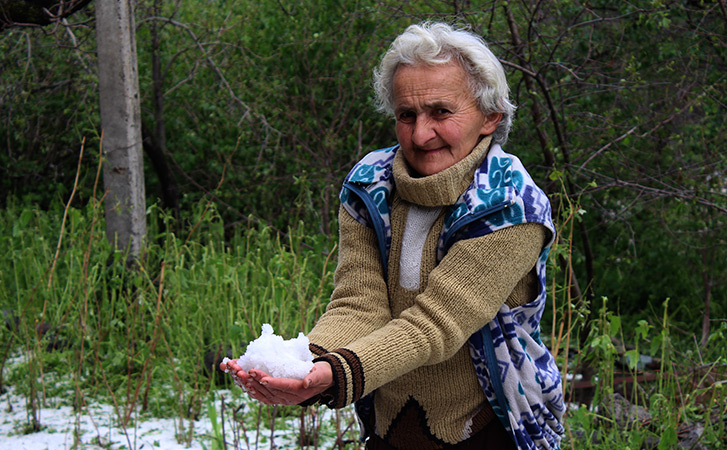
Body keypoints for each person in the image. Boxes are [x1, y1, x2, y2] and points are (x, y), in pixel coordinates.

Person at [223, 22, 565, 450]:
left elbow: (436, 325)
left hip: (487, 428)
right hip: (390, 427)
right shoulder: (371, 185)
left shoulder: (510, 205)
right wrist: (304, 364)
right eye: (407, 115)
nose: (421, 134)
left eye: (441, 111)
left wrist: (338, 374)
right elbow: (359, 302)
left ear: (490, 116)